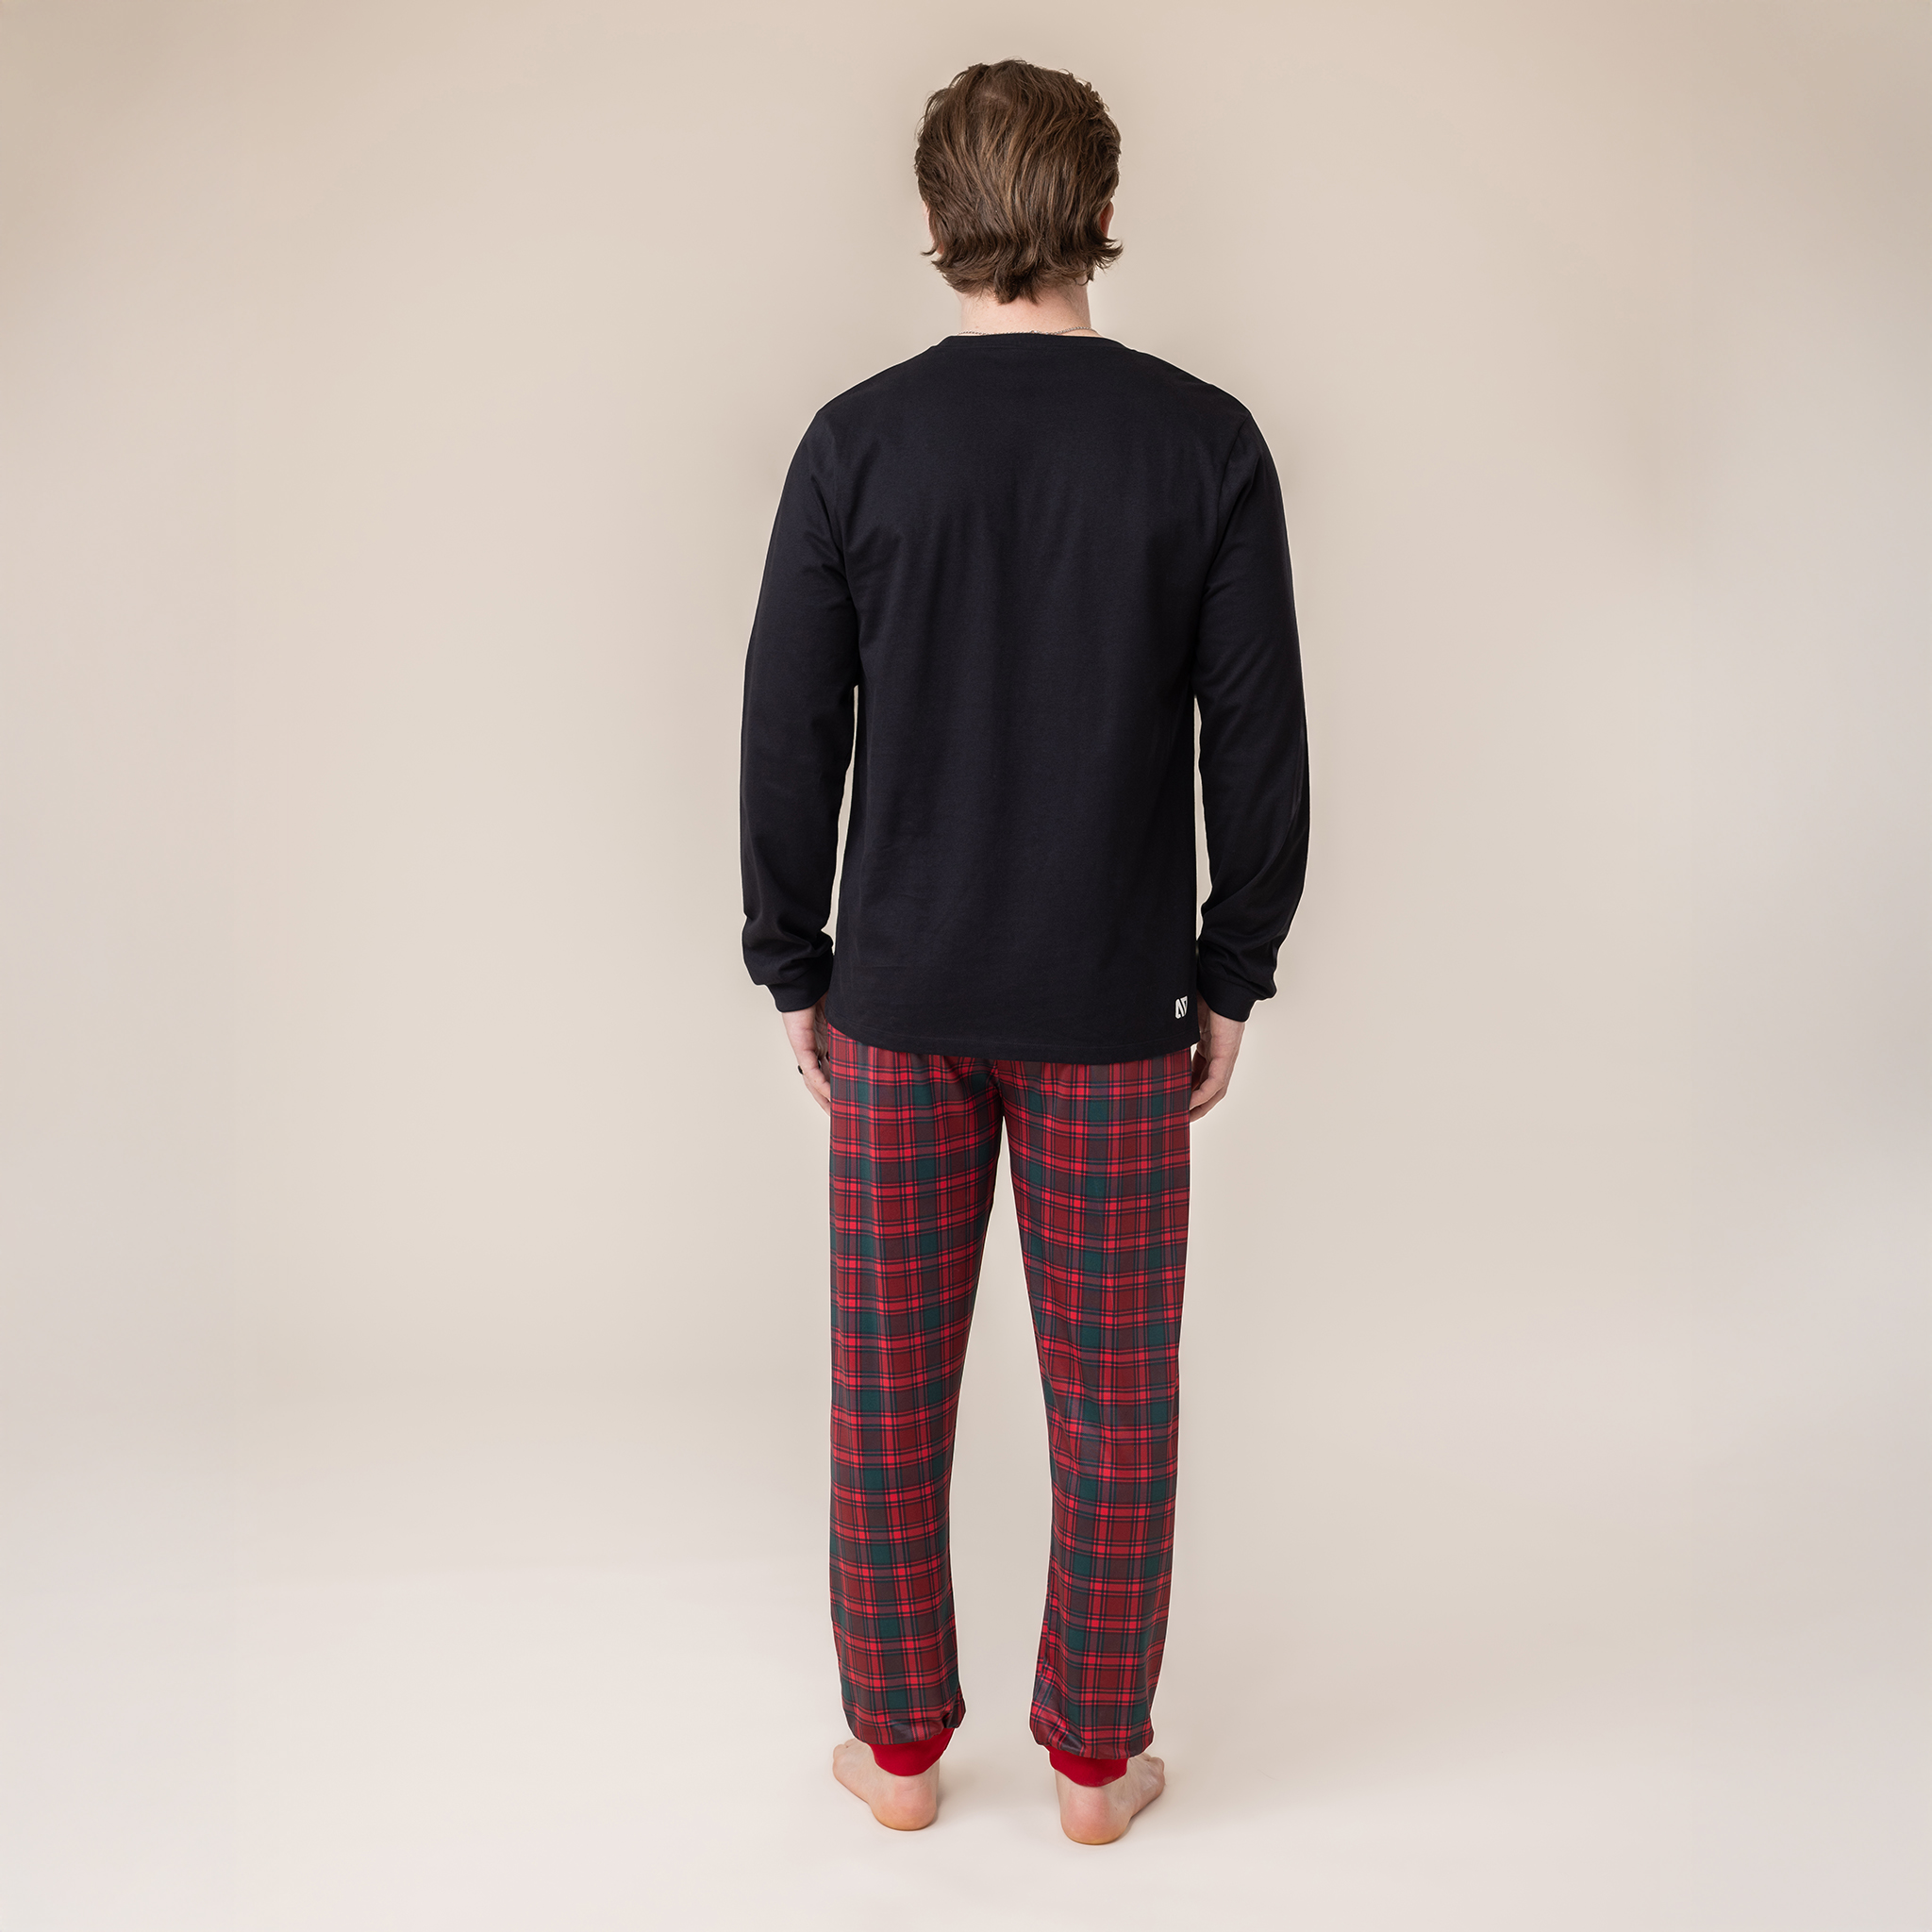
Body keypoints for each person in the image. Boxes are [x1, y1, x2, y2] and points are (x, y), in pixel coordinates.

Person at [738, 58, 1309, 1846]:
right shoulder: (1202, 443)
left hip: (901, 1004)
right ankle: (1094, 1765)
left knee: (886, 1395)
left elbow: (786, 731)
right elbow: (1258, 738)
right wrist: (1232, 967)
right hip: (1115, 1007)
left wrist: (794, 963)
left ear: (935, 221)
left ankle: (901, 1755)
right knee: (1118, 1400)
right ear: (1104, 215)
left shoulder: (858, 442)